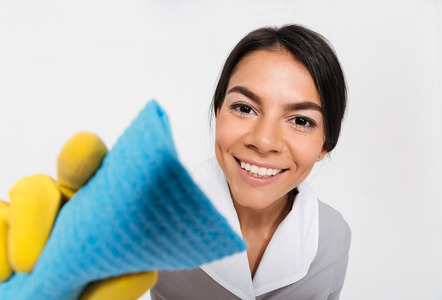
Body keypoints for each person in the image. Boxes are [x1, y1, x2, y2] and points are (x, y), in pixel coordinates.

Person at [150, 24, 350, 300]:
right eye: (244, 108)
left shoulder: (332, 236)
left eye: (301, 121)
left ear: (325, 145)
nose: (264, 141)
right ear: (218, 112)